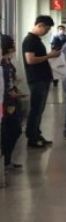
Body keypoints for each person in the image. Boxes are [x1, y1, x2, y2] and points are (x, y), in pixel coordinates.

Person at [22, 15, 61, 148]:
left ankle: (36, 134)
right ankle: (32, 137)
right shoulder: (29, 40)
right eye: (47, 28)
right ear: (40, 25)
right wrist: (49, 55)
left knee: (39, 109)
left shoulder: (36, 40)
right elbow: (30, 60)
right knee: (36, 109)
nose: (47, 32)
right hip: (36, 80)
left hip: (42, 79)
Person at [1, 35, 24, 171]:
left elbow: (10, 81)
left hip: (12, 100)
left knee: (13, 131)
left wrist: (16, 90)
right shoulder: (2, 64)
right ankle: (6, 160)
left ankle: (7, 159)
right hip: (5, 102)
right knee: (10, 131)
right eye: (12, 44)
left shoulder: (7, 61)